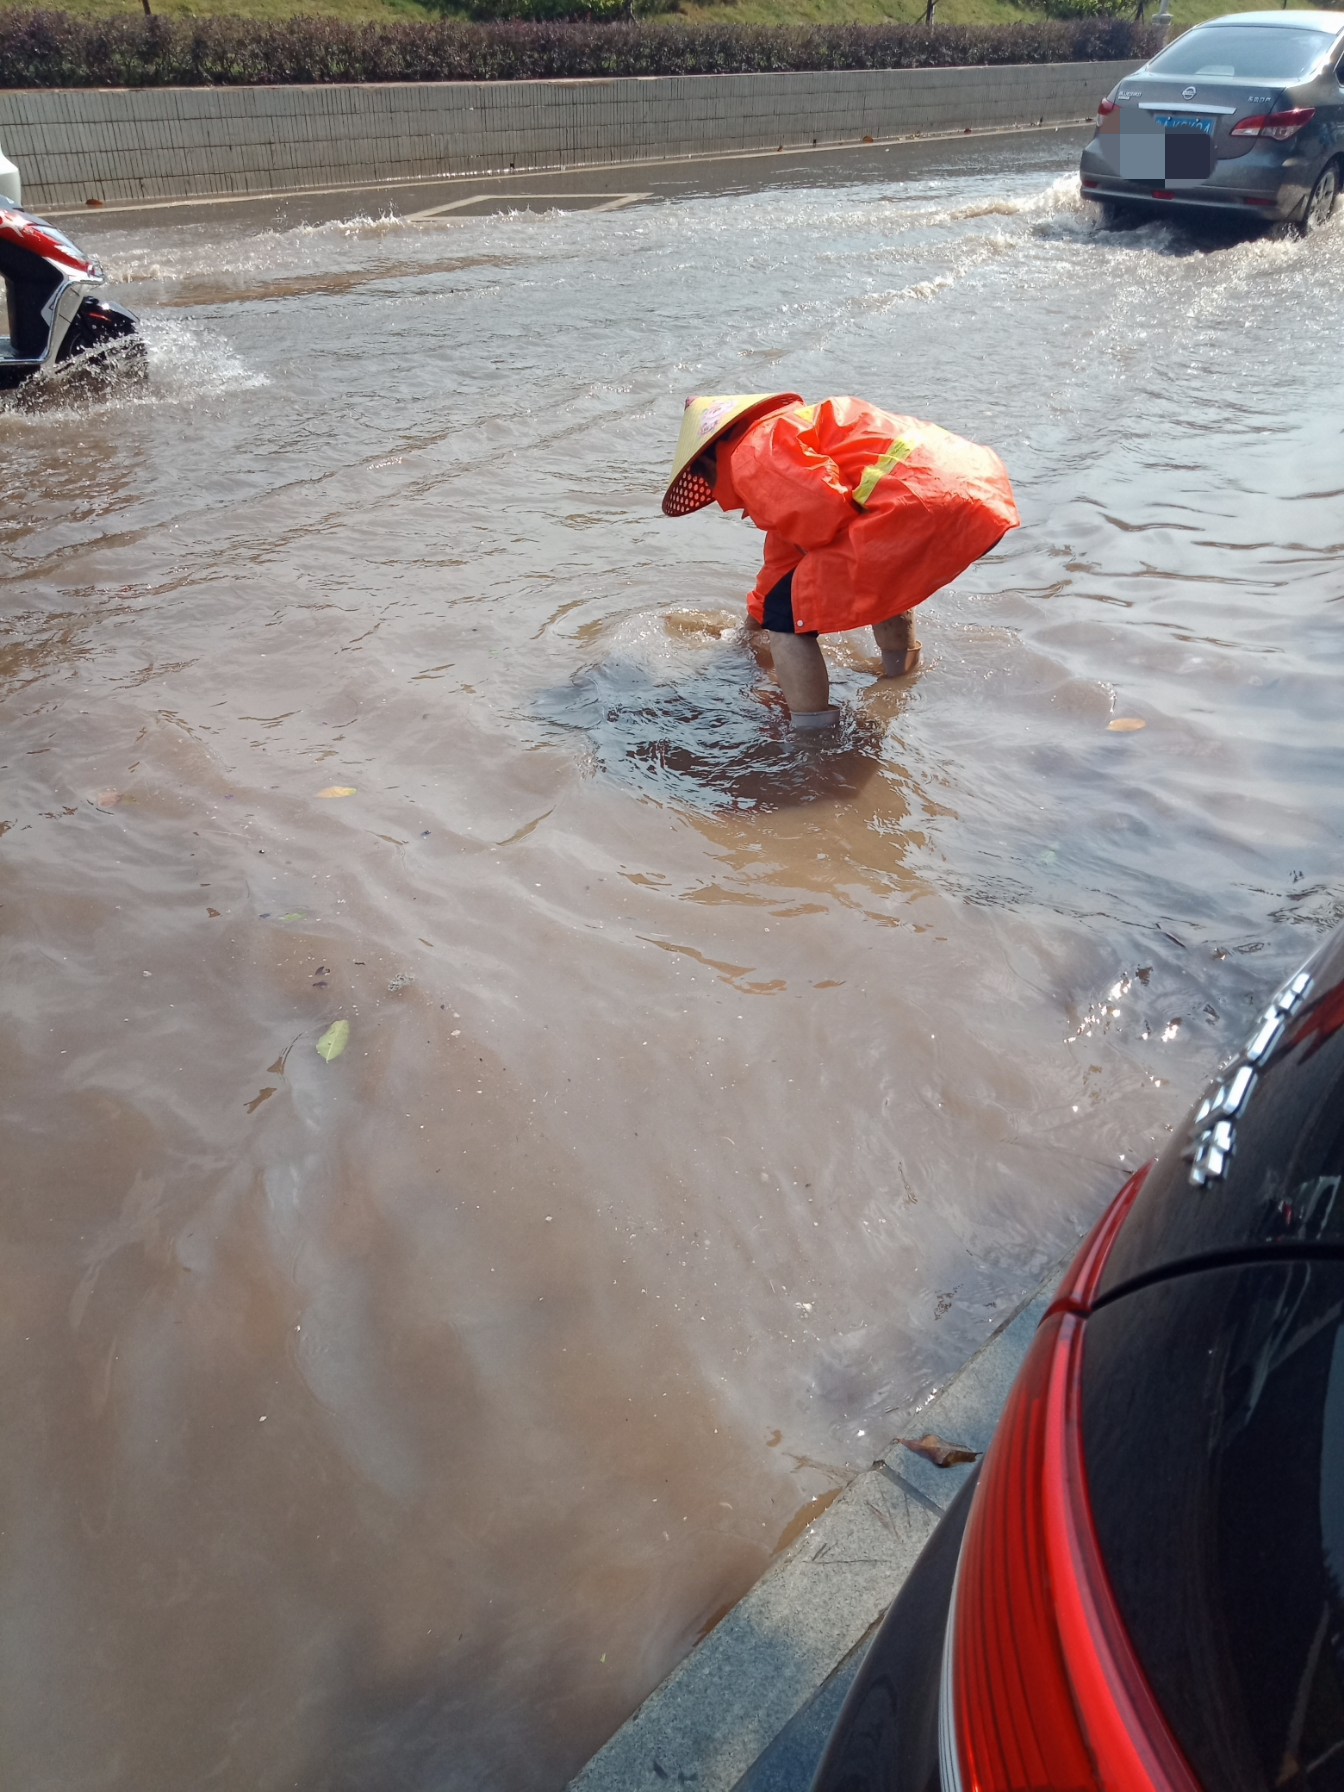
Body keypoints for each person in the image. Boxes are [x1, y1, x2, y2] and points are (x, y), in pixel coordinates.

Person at [662, 393, 1020, 730]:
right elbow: (781, 566)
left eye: (704, 478)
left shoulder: (750, 454)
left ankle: (812, 735)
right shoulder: (794, 432)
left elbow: (821, 513)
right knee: (880, 570)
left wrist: (776, 619)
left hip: (912, 500)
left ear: (710, 460)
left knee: (788, 620)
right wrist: (747, 634)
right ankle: (900, 675)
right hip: (971, 485)